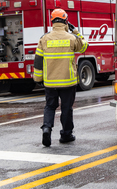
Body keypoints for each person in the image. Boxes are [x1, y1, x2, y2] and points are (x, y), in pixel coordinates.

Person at [33, 9, 88, 147]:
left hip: (50, 82)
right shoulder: (71, 38)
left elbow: (38, 60)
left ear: (52, 21)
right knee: (66, 108)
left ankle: (46, 128)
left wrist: (38, 79)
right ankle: (66, 134)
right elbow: (84, 47)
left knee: (50, 107)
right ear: (66, 21)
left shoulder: (44, 38)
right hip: (68, 82)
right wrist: (75, 31)